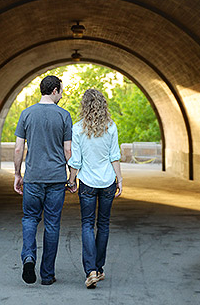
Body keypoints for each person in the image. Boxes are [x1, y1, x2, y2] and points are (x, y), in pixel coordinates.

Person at [14, 75, 72, 285]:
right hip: (56, 179)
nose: (62, 94)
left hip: (33, 178)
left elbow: (19, 148)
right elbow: (68, 150)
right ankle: (47, 275)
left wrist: (17, 174)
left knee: (30, 219)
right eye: (61, 90)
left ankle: (29, 257)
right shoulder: (64, 115)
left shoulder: (26, 114)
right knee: (52, 224)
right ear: (55, 90)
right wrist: (72, 177)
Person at [67, 88, 123, 289]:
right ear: (103, 105)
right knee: (104, 225)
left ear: (84, 106)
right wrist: (119, 178)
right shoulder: (111, 127)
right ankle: (99, 269)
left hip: (88, 183)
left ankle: (90, 270)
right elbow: (114, 155)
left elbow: (76, 160)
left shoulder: (78, 128)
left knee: (87, 224)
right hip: (107, 181)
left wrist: (71, 181)